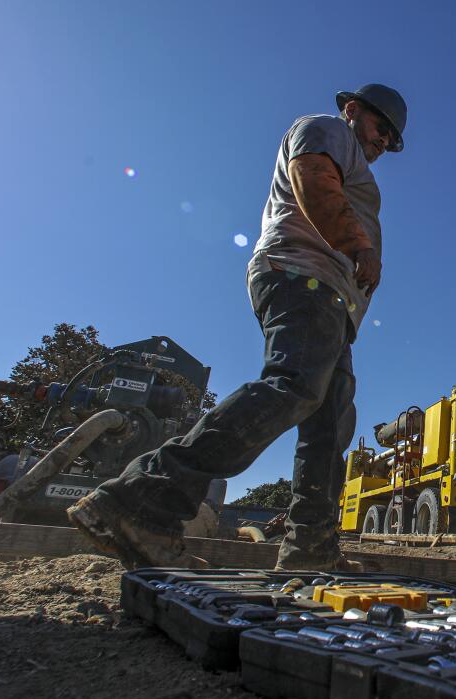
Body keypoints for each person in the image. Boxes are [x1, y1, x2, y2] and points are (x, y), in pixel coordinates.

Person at [68, 83, 407, 570]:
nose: (381, 144)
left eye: (390, 142)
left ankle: (311, 547)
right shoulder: (327, 130)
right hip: (301, 277)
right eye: (380, 129)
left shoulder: (350, 149)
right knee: (293, 387)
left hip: (331, 297)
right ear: (353, 111)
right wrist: (360, 246)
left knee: (329, 424)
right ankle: (141, 499)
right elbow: (313, 179)